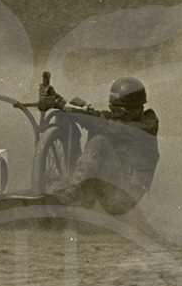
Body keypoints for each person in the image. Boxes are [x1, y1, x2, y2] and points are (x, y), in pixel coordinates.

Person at [41, 75, 161, 216]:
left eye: (118, 111)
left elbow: (106, 125)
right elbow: (97, 117)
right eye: (112, 109)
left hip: (123, 198)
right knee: (71, 118)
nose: (114, 114)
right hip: (108, 187)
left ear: (136, 109)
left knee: (100, 142)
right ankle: (73, 193)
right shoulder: (125, 119)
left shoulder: (144, 129)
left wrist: (66, 107)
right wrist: (59, 101)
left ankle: (70, 196)